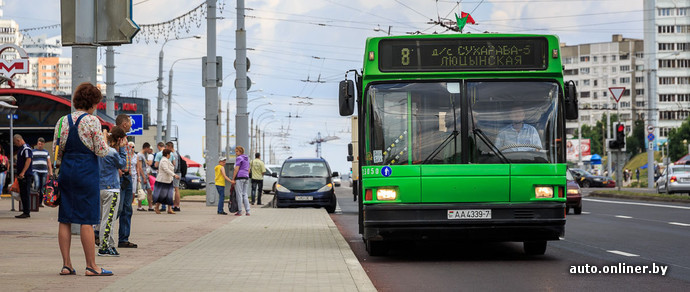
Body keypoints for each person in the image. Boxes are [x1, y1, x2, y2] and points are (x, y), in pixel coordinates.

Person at [54, 82, 112, 276]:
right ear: (92, 103)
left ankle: (66, 264)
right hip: (86, 172)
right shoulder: (92, 121)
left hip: (66, 172)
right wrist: (104, 135)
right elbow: (101, 151)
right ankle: (91, 266)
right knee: (87, 219)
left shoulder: (62, 121)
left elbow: (57, 150)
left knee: (65, 218)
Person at [97, 127, 128, 257]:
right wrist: (123, 150)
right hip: (112, 189)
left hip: (100, 187)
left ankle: (110, 245)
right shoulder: (112, 152)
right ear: (120, 139)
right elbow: (123, 165)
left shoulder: (100, 151)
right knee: (108, 219)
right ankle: (104, 247)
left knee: (104, 218)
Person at [114, 114, 137, 249]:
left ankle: (123, 239)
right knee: (118, 208)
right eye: (129, 122)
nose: (131, 125)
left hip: (127, 177)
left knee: (127, 209)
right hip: (120, 176)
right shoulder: (115, 136)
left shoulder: (126, 138)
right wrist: (117, 168)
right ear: (124, 124)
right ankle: (99, 232)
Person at [152, 149, 178, 214]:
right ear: (167, 154)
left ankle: (169, 209)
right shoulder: (164, 161)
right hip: (163, 181)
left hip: (168, 180)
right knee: (162, 195)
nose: (170, 156)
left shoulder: (167, 160)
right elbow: (166, 169)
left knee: (170, 195)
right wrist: (174, 175)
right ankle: (157, 207)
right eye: (170, 154)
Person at [14, 134, 33, 218]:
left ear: (18, 140)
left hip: (26, 175)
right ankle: (25, 211)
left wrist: (23, 172)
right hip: (22, 175)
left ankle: (26, 212)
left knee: (25, 193)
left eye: (15, 143)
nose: (16, 145)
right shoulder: (21, 149)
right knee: (23, 193)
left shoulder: (26, 148)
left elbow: (28, 159)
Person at [32, 137, 54, 206]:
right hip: (35, 170)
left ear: (43, 144)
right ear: (37, 144)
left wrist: (50, 172)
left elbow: (49, 162)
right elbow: (29, 161)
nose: (40, 145)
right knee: (37, 184)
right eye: (39, 144)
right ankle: (34, 200)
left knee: (43, 187)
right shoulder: (33, 152)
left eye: (41, 144)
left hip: (44, 171)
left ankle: (39, 202)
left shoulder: (46, 152)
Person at [231, 146, 251, 216]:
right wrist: (246, 175)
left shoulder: (239, 158)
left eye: (236, 151)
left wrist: (233, 178)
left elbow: (236, 169)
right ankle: (248, 211)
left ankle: (240, 211)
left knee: (239, 194)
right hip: (246, 177)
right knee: (245, 194)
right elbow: (248, 169)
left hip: (240, 177)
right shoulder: (247, 158)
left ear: (240, 151)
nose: (236, 153)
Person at [136, 142, 154, 211]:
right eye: (148, 149)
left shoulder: (144, 155)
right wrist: (143, 177)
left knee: (149, 190)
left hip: (145, 175)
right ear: (146, 148)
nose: (149, 150)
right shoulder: (140, 155)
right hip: (142, 175)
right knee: (142, 191)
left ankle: (150, 206)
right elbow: (140, 167)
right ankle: (139, 206)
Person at [166, 141, 182, 212]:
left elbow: (175, 166)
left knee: (176, 189)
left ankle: (176, 205)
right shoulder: (177, 153)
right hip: (178, 173)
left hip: (175, 173)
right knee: (176, 189)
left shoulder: (174, 154)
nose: (166, 149)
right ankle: (176, 205)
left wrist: (172, 173)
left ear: (170, 147)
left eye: (167, 147)